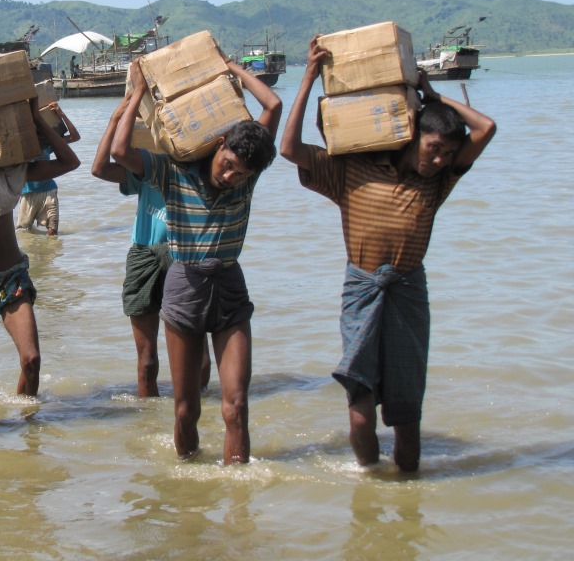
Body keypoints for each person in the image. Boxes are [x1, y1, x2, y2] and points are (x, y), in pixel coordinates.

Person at [279, 36, 496, 472]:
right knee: (359, 403)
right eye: (434, 148)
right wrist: (306, 79)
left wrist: (433, 96)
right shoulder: (350, 170)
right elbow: (288, 149)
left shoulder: (437, 184)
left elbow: (486, 129)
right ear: (413, 135)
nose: (439, 160)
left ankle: (406, 501)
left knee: (407, 411)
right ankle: (370, 483)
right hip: (362, 290)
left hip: (409, 292)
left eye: (448, 154)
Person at [112, 57, 282, 464]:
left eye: (241, 174)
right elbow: (120, 151)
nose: (231, 177)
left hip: (229, 287)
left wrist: (233, 68)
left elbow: (272, 106)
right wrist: (137, 92)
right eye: (228, 167)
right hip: (184, 286)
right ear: (220, 143)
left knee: (235, 407)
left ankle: (238, 505)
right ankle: (188, 497)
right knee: (186, 409)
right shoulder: (173, 171)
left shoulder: (249, 179)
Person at [0, 60, 81, 396]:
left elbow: (70, 162)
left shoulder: (10, 172)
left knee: (32, 359)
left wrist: (37, 117)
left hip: (12, 276)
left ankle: (28, 438)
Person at [91, 95, 211, 397]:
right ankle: (149, 430)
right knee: (146, 364)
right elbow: (99, 168)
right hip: (145, 254)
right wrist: (115, 120)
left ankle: (199, 420)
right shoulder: (149, 169)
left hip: (187, 258)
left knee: (199, 361)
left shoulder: (205, 168)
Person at [15, 101, 81, 236]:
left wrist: (61, 115)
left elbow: (75, 137)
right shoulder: (22, 148)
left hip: (49, 191)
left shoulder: (48, 145)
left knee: (52, 233)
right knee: (24, 232)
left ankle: (50, 255)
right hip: (28, 193)